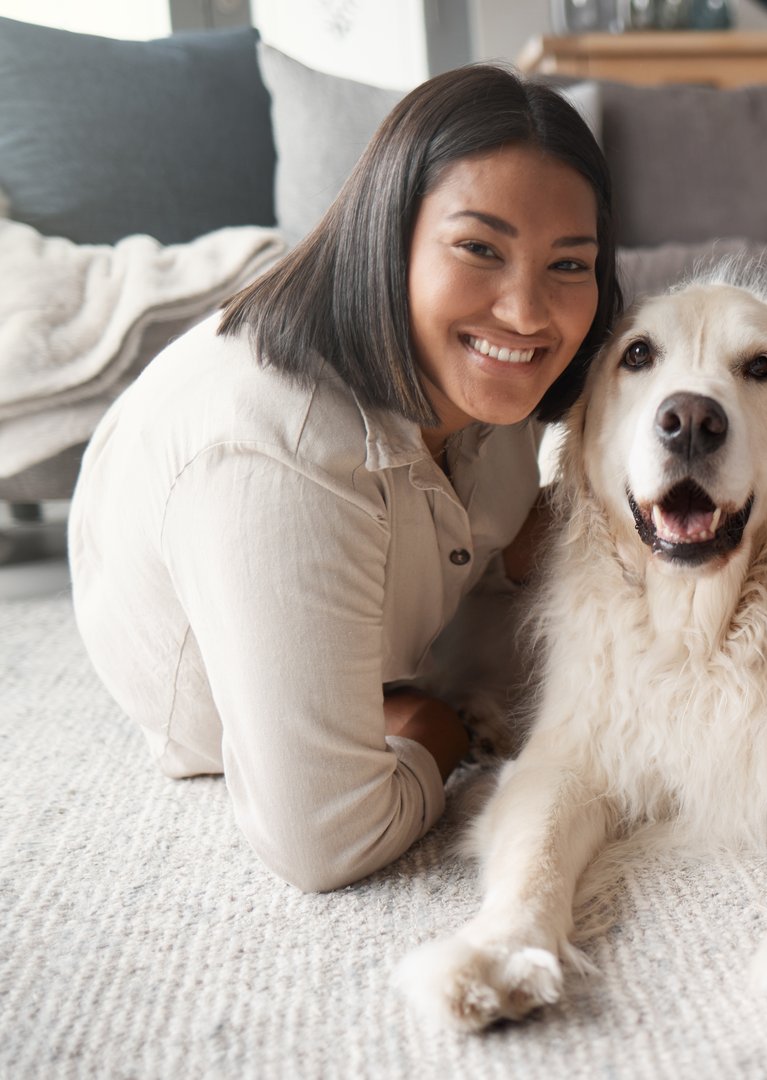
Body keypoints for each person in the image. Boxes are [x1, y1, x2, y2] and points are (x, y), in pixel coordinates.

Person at [67, 64, 622, 893]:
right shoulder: (275, 459)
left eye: (569, 265)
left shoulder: (491, 382)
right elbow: (325, 841)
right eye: (479, 249)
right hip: (222, 699)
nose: (527, 312)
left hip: (413, 612)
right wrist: (435, 729)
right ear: (387, 237)